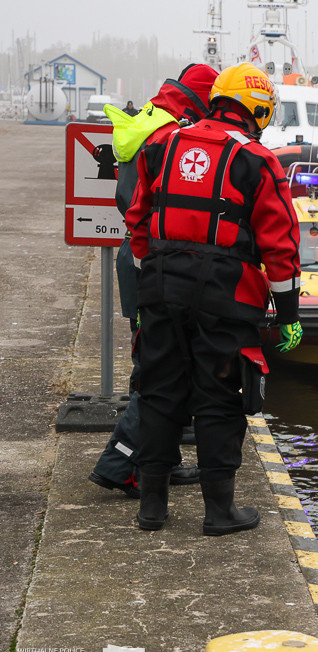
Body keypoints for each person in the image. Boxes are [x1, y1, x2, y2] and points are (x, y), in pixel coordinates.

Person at [125, 62, 303, 535]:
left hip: (161, 288)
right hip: (225, 297)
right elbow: (280, 243)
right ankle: (219, 512)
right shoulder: (258, 161)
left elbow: (139, 220)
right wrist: (288, 315)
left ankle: (152, 508)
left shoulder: (162, 144)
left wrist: (150, 282)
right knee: (218, 397)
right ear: (260, 111)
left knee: (159, 391)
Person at [89, 63, 220, 499]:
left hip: (137, 253)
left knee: (150, 359)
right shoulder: (174, 133)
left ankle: (156, 461)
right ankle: (122, 462)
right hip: (157, 260)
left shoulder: (147, 119)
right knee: (162, 369)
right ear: (201, 97)